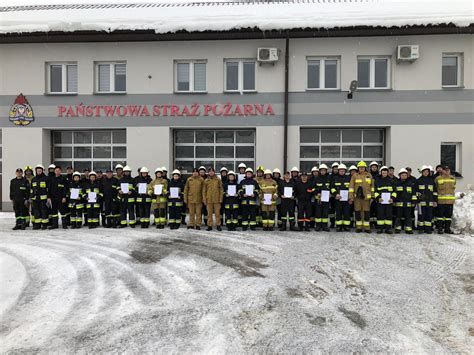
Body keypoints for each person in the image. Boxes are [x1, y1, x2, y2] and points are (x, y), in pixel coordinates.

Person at [349, 161, 374, 233]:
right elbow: (351, 187)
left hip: (367, 198)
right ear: (358, 168)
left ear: (365, 168)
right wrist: (351, 197)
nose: (362, 168)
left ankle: (367, 227)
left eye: (363, 167)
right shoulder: (355, 176)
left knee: (366, 213)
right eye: (360, 167)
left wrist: (372, 196)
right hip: (357, 198)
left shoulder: (369, 175)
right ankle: (359, 227)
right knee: (357, 212)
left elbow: (372, 186)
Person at [394, 168, 417, 234]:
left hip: (408, 204)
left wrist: (413, 202)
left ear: (407, 176)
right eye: (402, 175)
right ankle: (397, 228)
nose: (404, 176)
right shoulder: (396, 183)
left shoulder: (410, 184)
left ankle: (408, 229)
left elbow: (413, 193)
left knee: (408, 217)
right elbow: (394, 193)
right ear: (399, 175)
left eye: (405, 175)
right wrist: (394, 201)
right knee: (398, 217)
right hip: (399, 204)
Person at [416, 165, 437, 234]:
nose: (426, 173)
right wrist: (420, 197)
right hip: (421, 202)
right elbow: (415, 191)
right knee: (421, 215)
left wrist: (435, 201)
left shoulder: (431, 181)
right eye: (424, 171)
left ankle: (428, 229)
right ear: (422, 172)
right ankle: (421, 229)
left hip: (430, 202)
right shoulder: (418, 181)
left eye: (427, 172)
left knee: (429, 215)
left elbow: (434, 192)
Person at [374, 166, 395, 234]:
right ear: (381, 173)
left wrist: (392, 198)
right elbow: (375, 191)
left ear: (387, 173)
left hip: (389, 201)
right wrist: (378, 198)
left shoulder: (391, 180)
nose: (384, 174)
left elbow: (395, 191)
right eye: (383, 173)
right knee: (380, 214)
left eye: (385, 173)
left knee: (389, 215)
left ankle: (388, 229)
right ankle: (380, 228)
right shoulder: (377, 180)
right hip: (380, 201)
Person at [435, 166, 456, 234]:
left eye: (448, 170)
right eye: (445, 170)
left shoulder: (453, 178)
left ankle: (447, 229)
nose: (447, 171)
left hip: (450, 201)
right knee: (440, 216)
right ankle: (440, 228)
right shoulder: (437, 179)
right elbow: (435, 188)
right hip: (441, 201)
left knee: (448, 216)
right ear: (442, 171)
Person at [331, 164, 351, 232]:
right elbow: (332, 188)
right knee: (338, 212)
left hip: (346, 199)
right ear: (338, 171)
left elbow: (351, 188)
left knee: (346, 212)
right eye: (340, 170)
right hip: (338, 199)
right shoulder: (335, 178)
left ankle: (346, 226)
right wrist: (335, 194)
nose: (342, 172)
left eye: (343, 170)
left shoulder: (348, 178)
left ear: (345, 171)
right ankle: (338, 226)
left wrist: (350, 197)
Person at [48, 165, 69, 229]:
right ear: (54, 171)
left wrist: (64, 197)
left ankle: (64, 224)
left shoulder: (63, 179)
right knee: (54, 212)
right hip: (53, 198)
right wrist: (49, 197)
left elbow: (65, 189)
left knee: (63, 212)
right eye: (56, 170)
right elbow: (49, 189)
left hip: (61, 198)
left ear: (61, 171)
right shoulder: (52, 179)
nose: (57, 171)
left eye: (58, 170)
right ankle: (55, 225)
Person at [30, 164, 50, 230]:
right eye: (37, 171)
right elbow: (31, 189)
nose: (38, 172)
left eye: (40, 170)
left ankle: (44, 224)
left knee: (44, 211)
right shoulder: (33, 179)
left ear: (42, 171)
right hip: (35, 199)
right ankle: (37, 224)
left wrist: (48, 197)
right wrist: (31, 196)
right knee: (36, 211)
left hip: (44, 199)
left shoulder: (46, 178)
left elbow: (48, 189)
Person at [313, 163, 331, 231]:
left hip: (326, 198)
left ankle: (325, 225)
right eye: (322, 170)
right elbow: (313, 188)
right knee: (318, 212)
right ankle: (318, 225)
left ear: (326, 171)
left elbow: (331, 187)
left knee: (325, 212)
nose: (323, 172)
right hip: (318, 199)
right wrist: (317, 193)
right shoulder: (316, 178)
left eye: (324, 170)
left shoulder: (328, 178)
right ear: (319, 171)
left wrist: (331, 194)